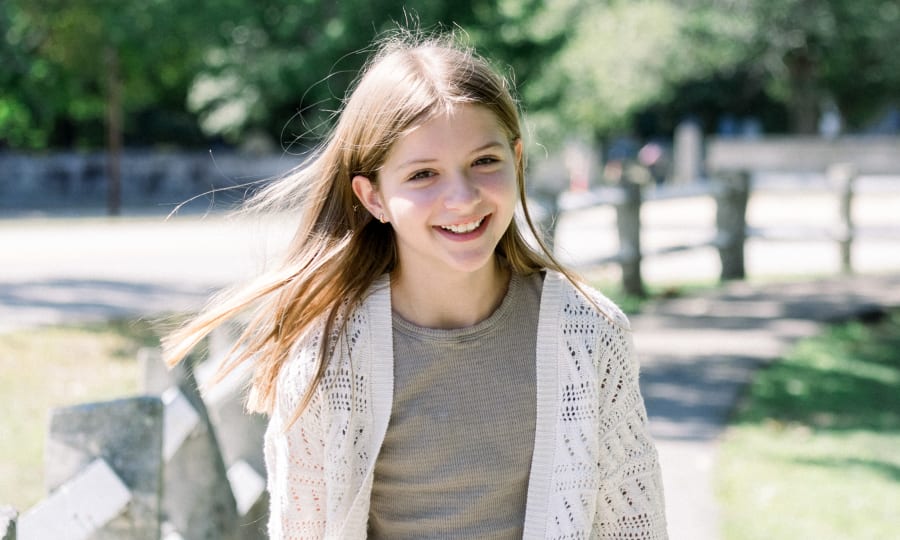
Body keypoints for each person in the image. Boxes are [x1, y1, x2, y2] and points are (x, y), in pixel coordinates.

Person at [164, 30, 668, 540]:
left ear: (517, 161)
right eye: (424, 174)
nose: (462, 197)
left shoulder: (589, 333)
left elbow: (634, 526)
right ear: (374, 197)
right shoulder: (327, 355)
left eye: (484, 162)